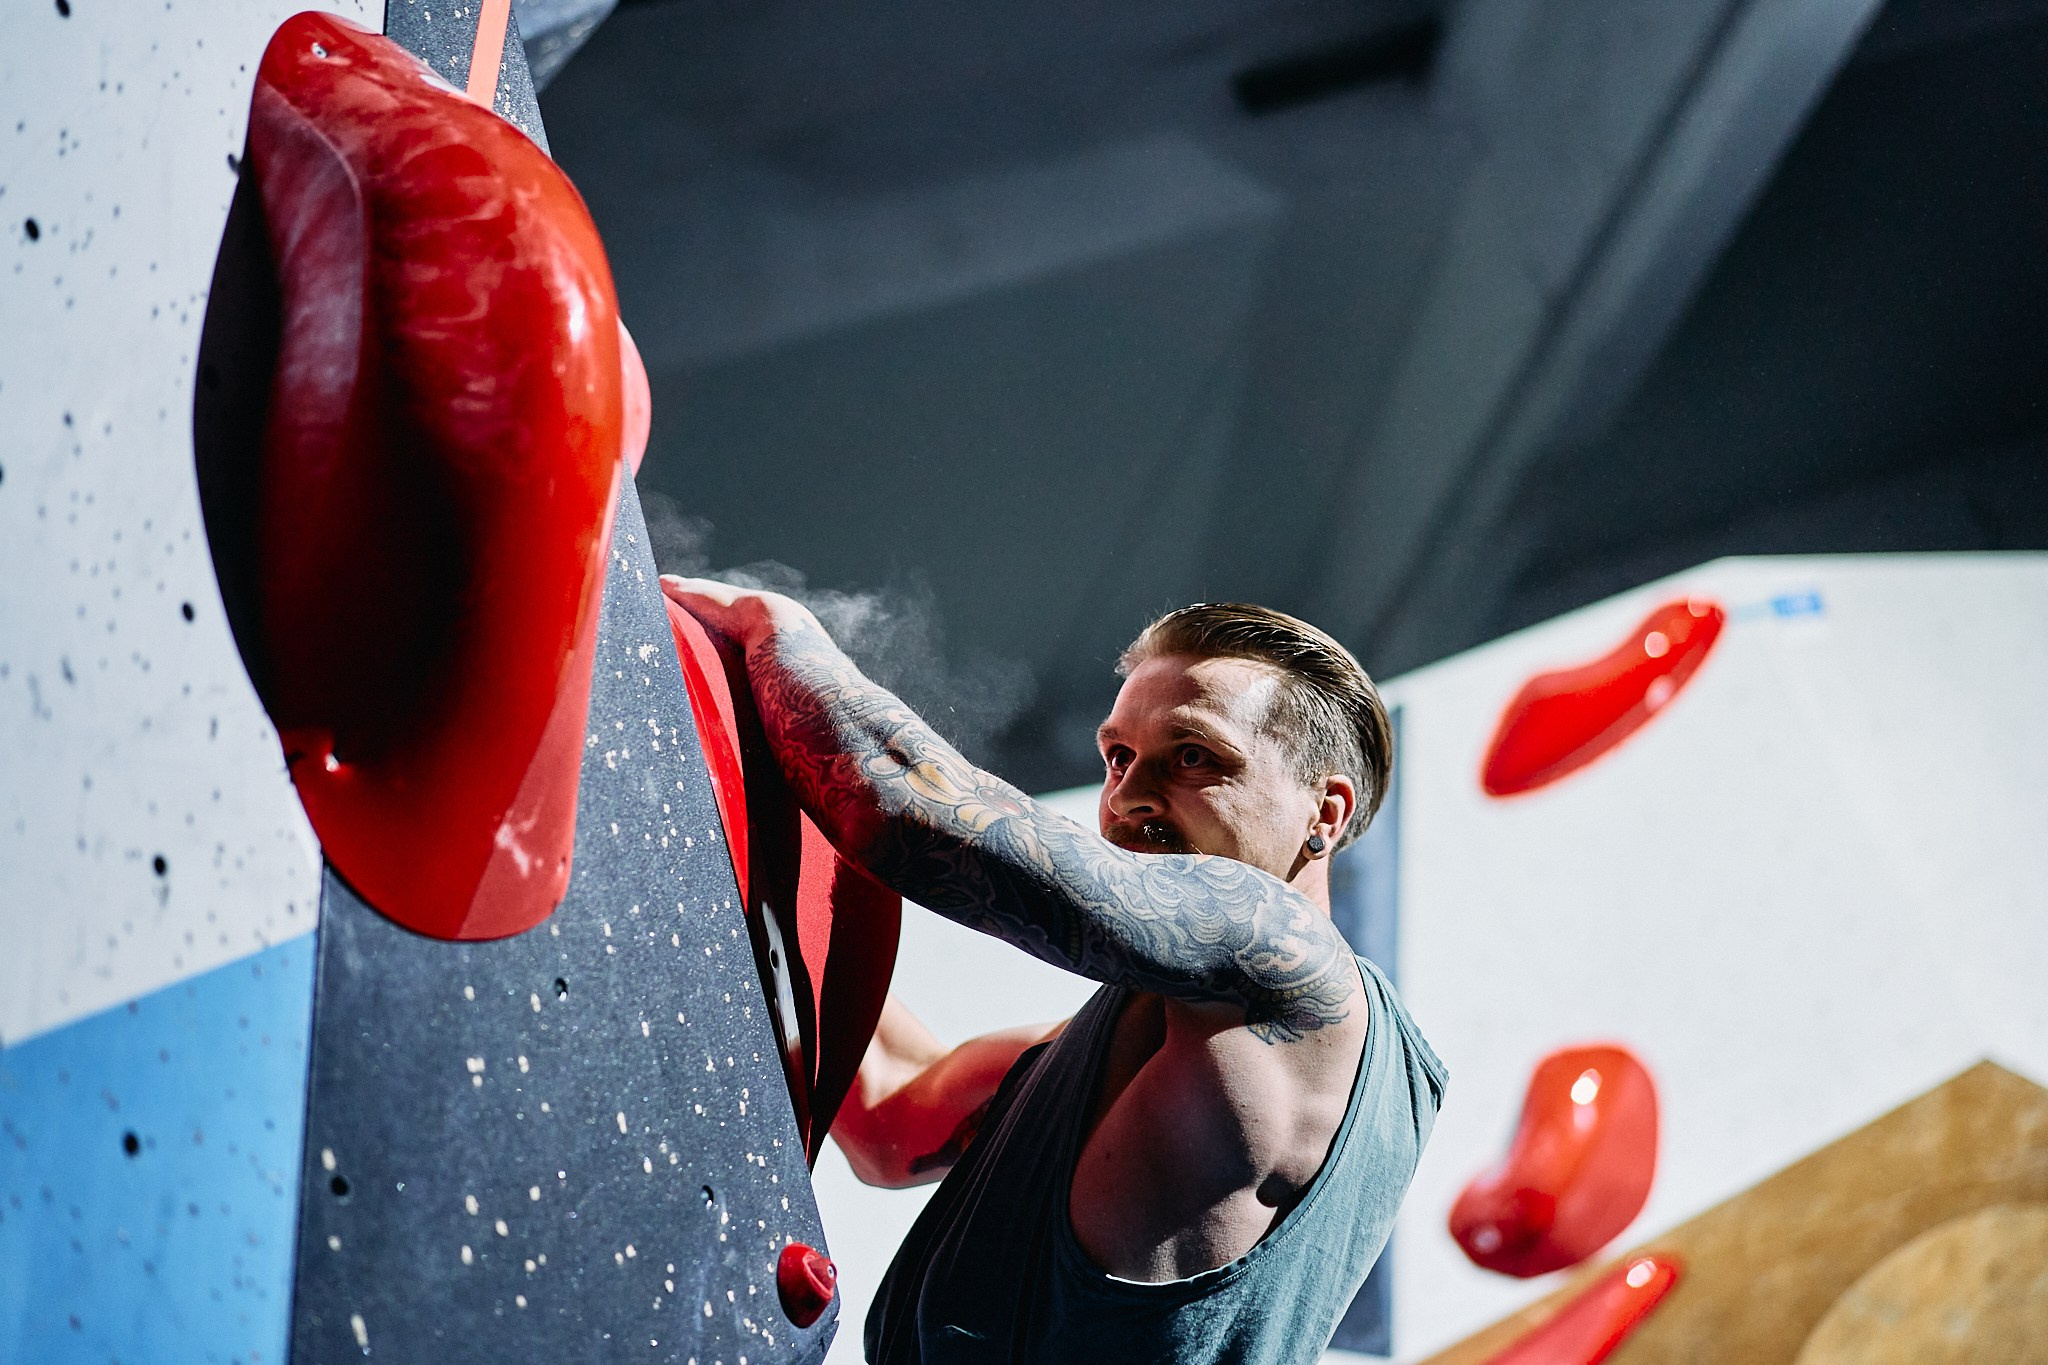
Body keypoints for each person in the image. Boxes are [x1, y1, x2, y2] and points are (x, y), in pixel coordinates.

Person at [661, 580, 1447, 1365]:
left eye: (1193, 756)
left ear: (1326, 813)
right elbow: (896, 1112)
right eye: (1118, 755)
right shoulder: (1154, 1049)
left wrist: (767, 627)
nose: (1128, 795)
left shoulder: (1293, 957)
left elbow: (898, 800)